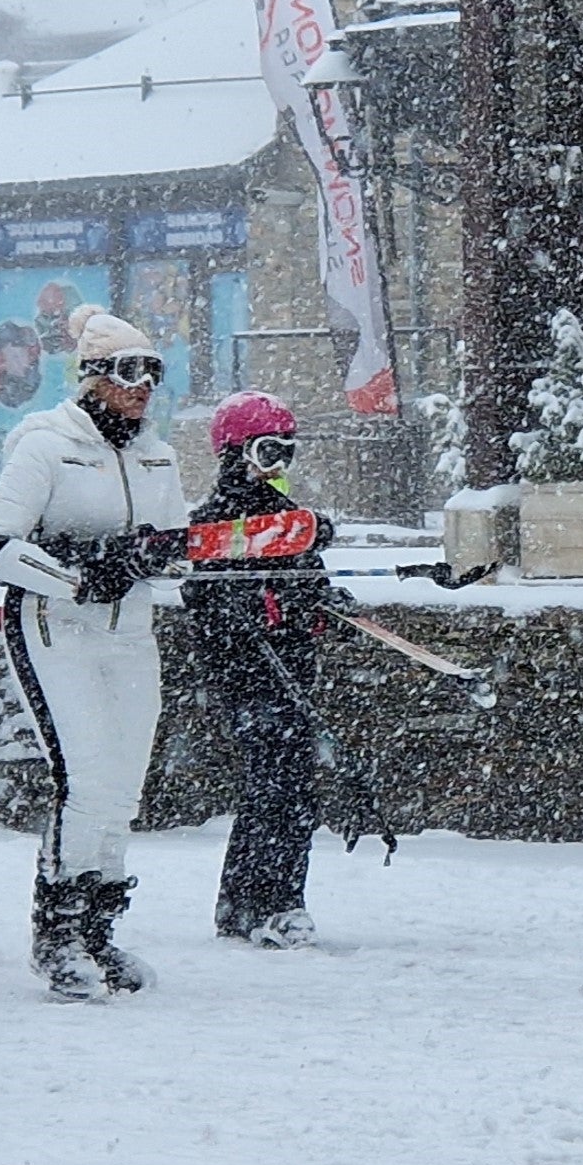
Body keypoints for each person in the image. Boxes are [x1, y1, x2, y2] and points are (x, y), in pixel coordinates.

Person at [0, 305, 190, 999]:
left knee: (123, 786)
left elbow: (180, 554)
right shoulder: (44, 443)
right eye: (129, 371)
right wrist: (77, 572)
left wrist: (152, 556)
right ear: (92, 377)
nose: (143, 385)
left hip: (129, 630)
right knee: (87, 775)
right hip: (53, 627)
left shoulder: (158, 453)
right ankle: (58, 932)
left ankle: (99, 928)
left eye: (153, 371)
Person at [184, 390, 334, 947]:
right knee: (273, 784)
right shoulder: (211, 522)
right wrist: (245, 615)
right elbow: (203, 602)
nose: (278, 467)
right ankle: (265, 901)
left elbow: (308, 584)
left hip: (293, 670)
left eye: (286, 454)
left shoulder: (291, 522)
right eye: (268, 451)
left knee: (289, 786)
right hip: (244, 673)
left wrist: (319, 603)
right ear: (234, 452)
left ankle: (259, 900)